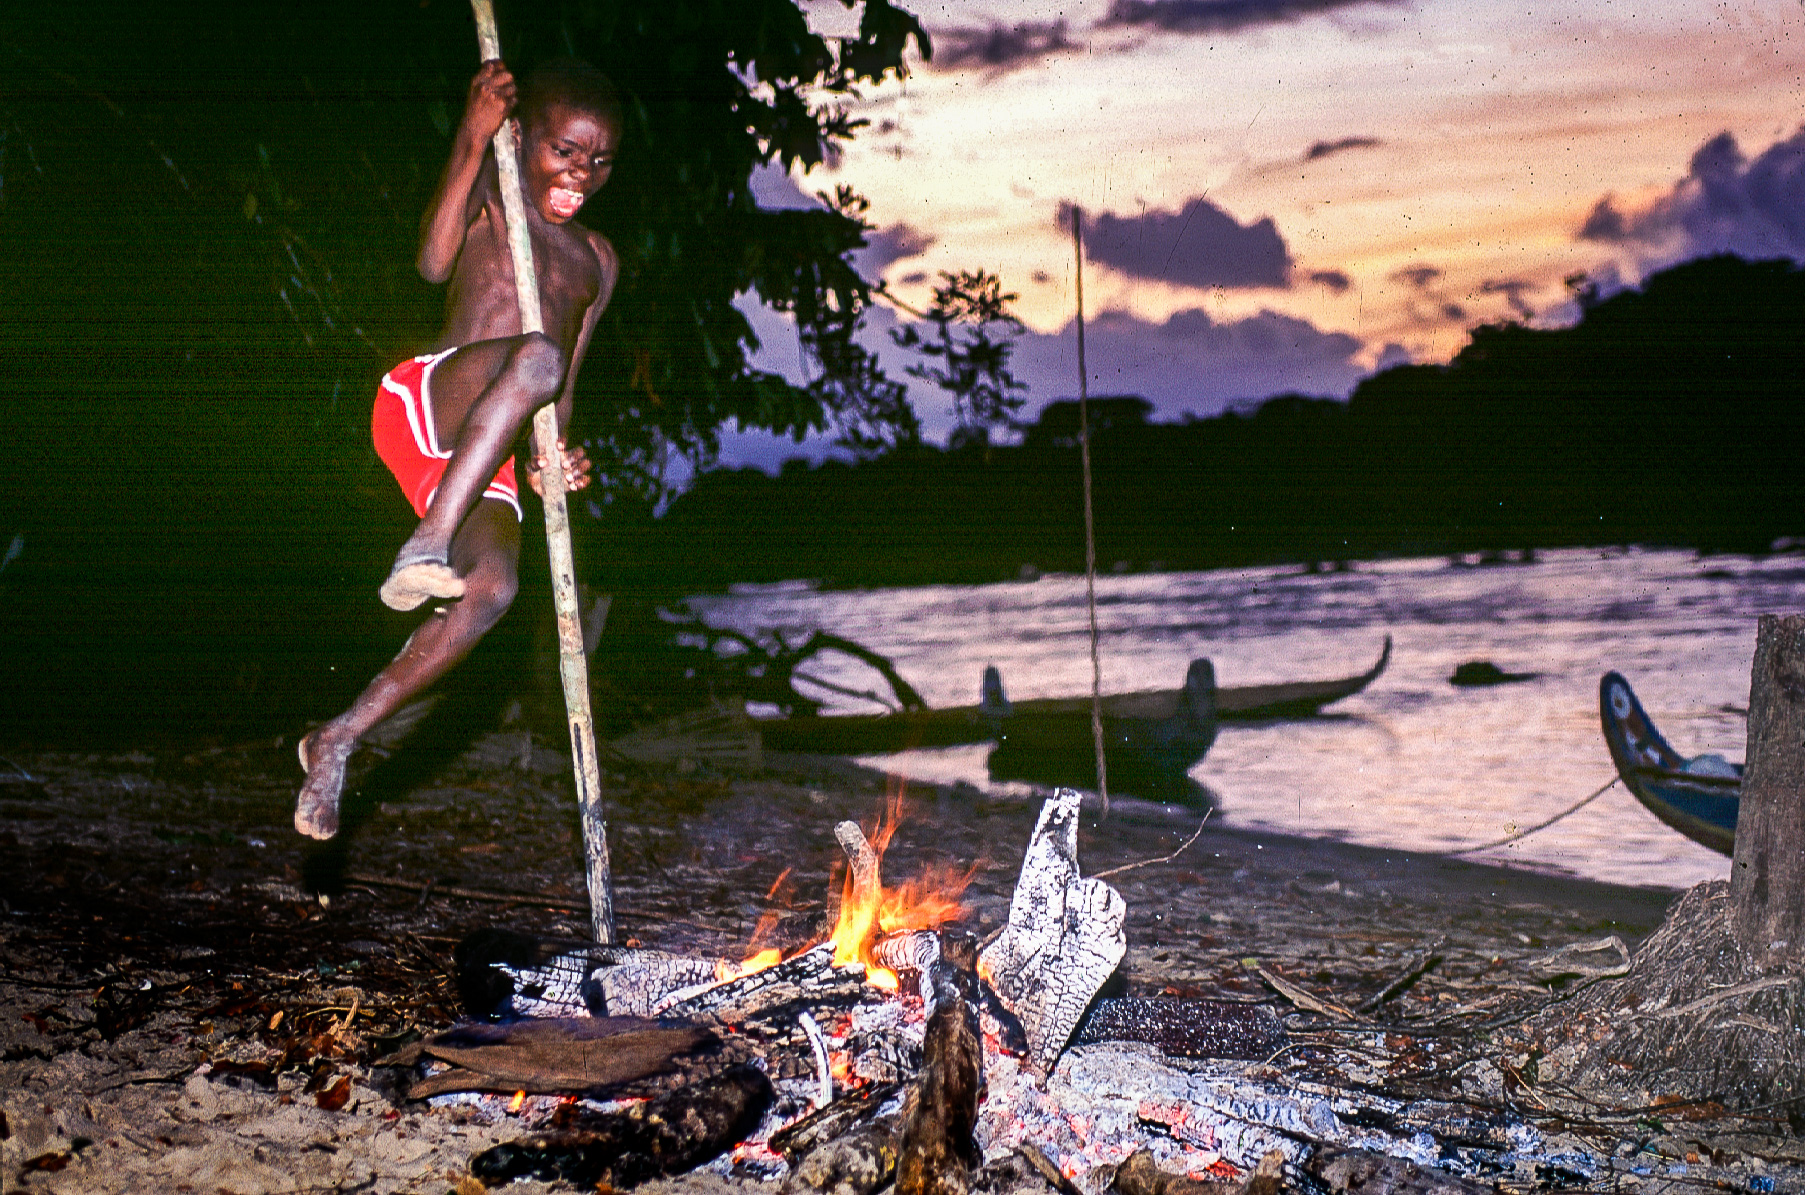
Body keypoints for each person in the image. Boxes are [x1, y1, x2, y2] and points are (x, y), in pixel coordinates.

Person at [294, 57, 623, 839]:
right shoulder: (494, 192)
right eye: (564, 150)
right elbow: (432, 263)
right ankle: (428, 541)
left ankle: (338, 736)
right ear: (524, 137)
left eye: (601, 159)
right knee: (532, 354)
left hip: (490, 453)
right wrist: (473, 141)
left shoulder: (598, 262)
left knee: (494, 589)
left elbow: (562, 386)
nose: (581, 171)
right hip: (427, 404)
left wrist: (554, 461)